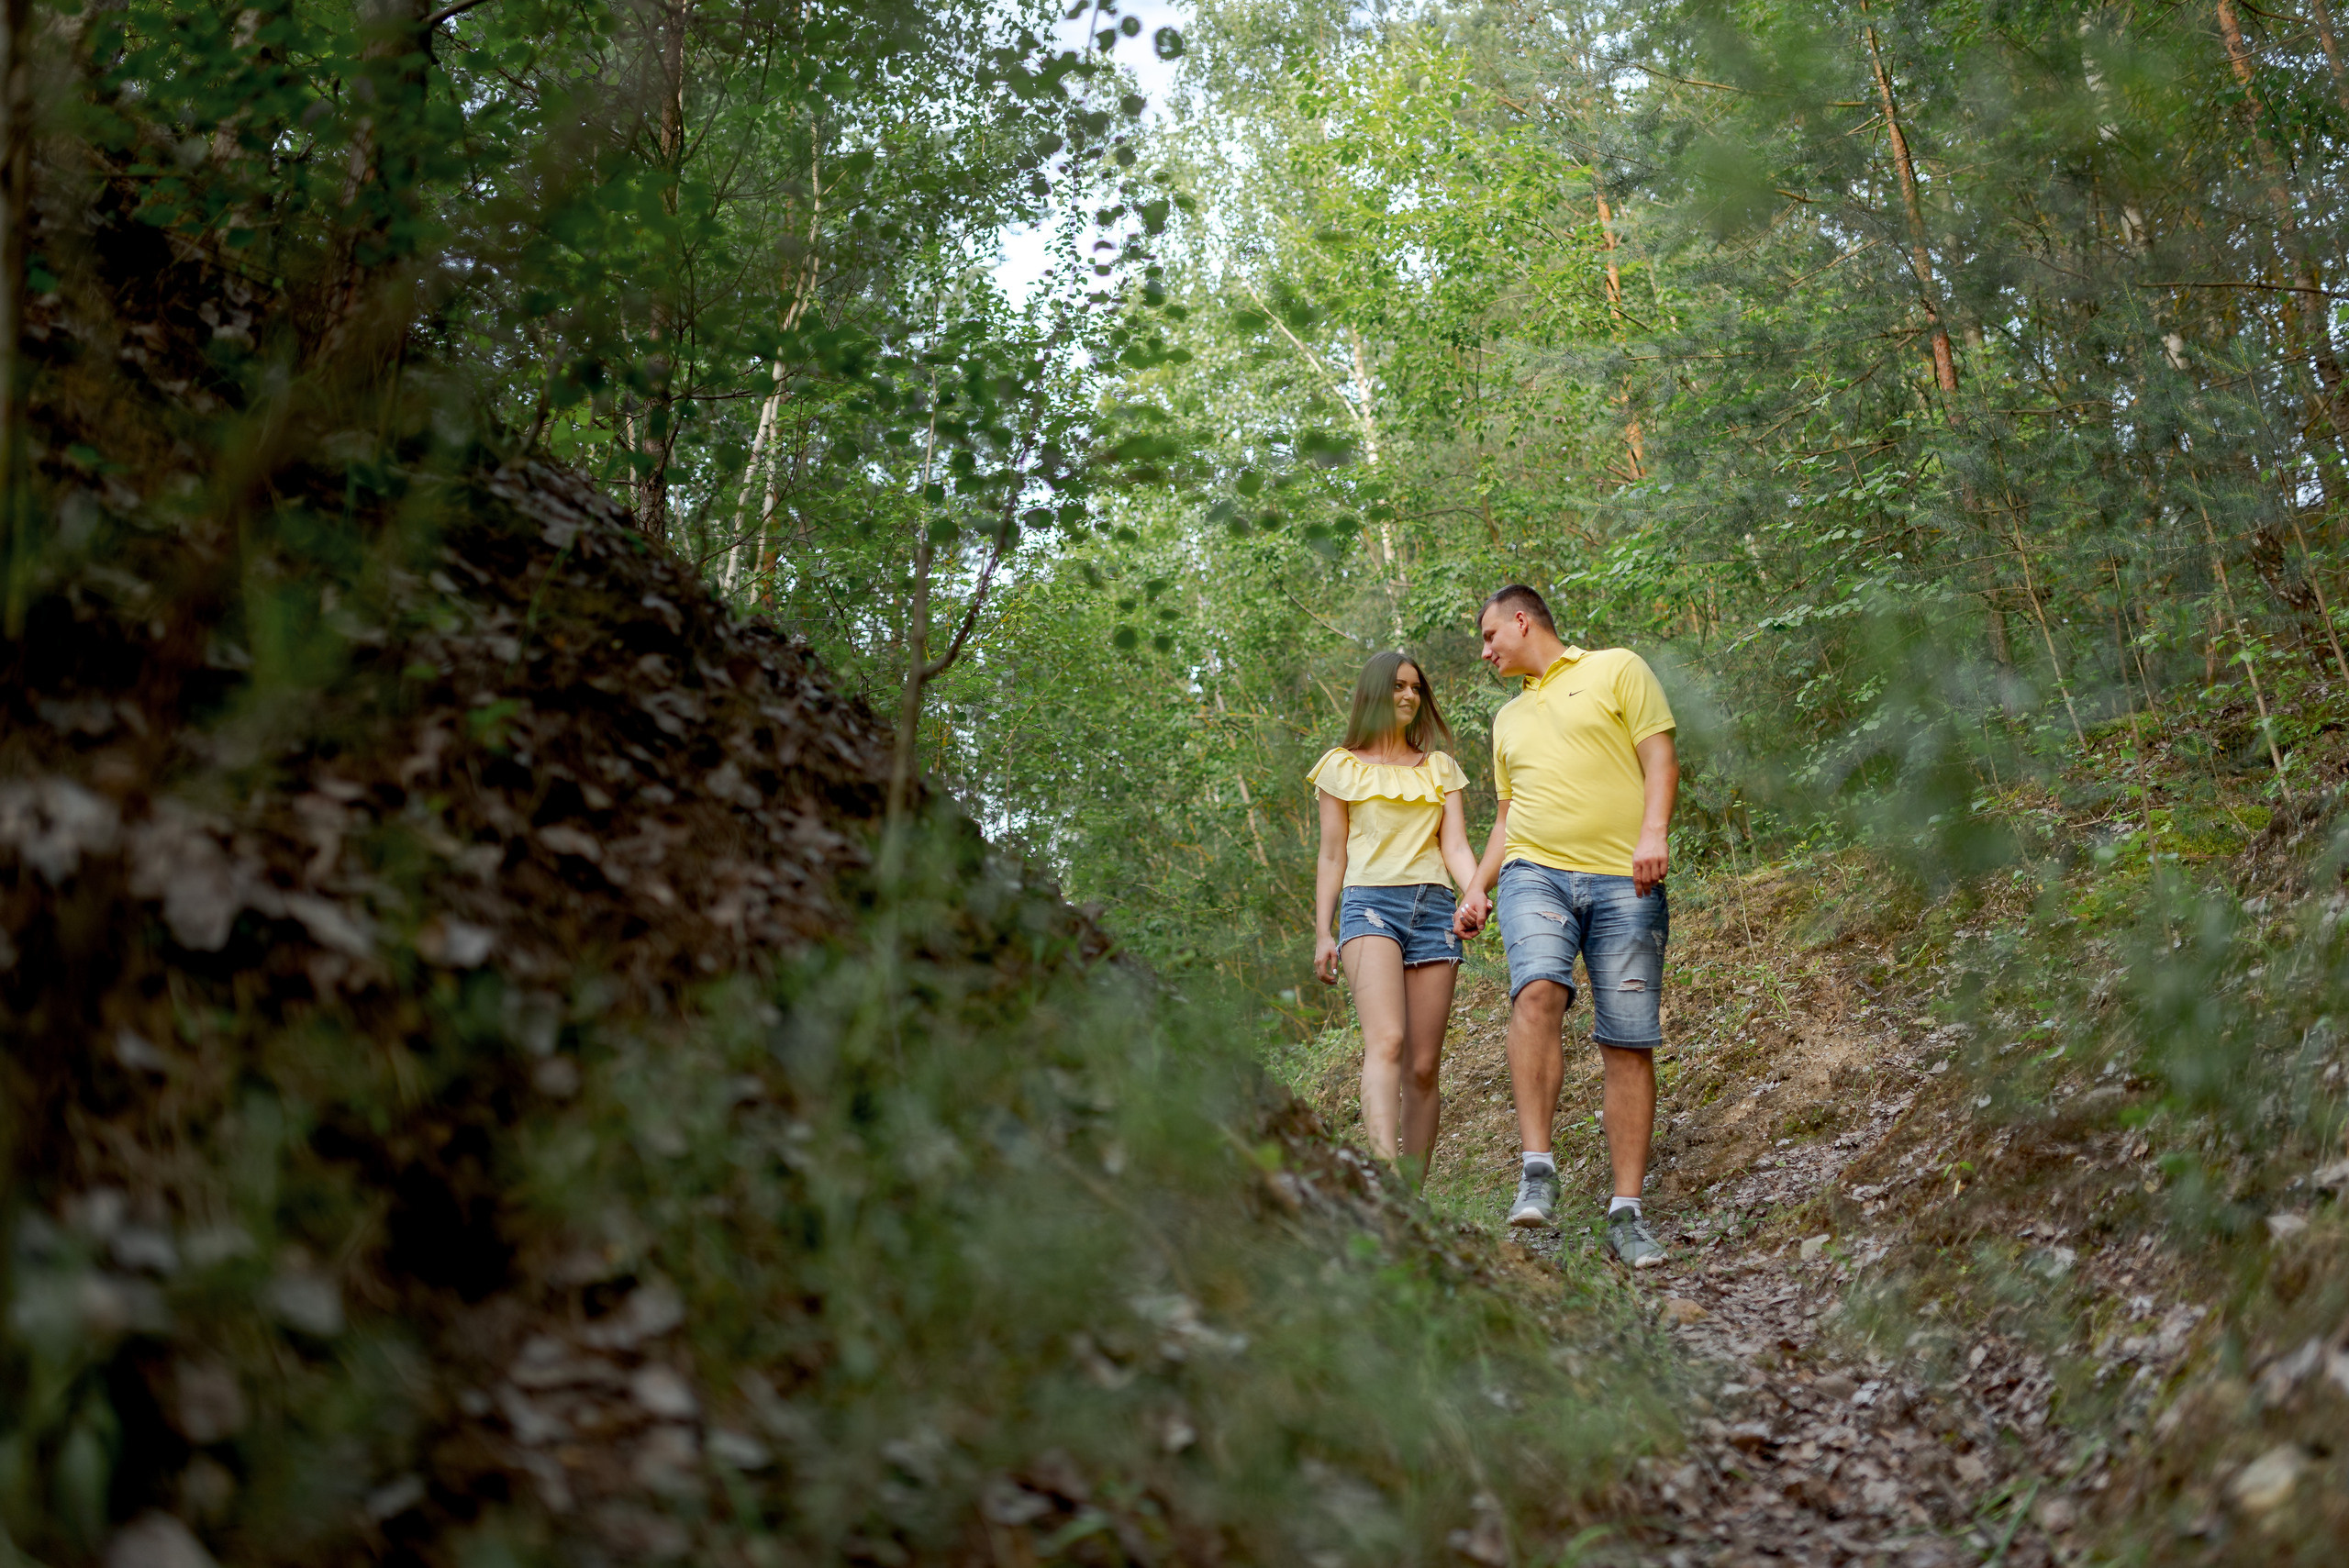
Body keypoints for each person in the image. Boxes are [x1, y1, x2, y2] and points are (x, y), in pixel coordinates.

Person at [1453, 585, 1679, 1268]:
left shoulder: (1617, 668)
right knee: (1537, 990)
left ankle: (1627, 1212)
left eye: (1490, 636)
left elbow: (1659, 758)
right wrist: (1477, 886)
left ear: (1522, 621)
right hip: (1535, 874)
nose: (1486, 652)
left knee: (1627, 1039)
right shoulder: (1507, 720)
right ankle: (1537, 1170)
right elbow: (1506, 818)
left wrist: (1653, 832)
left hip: (1624, 878)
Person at [1309, 651, 1485, 1182]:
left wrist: (1474, 892)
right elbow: (1332, 855)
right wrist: (1322, 932)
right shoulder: (1340, 766)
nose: (1409, 696)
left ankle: (1412, 1199)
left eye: (1416, 688)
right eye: (1398, 687)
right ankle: (1384, 1185)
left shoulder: (1439, 767)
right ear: (1374, 693)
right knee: (1386, 1041)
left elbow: (1455, 845)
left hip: (1434, 909)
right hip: (1370, 906)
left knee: (1424, 1067)